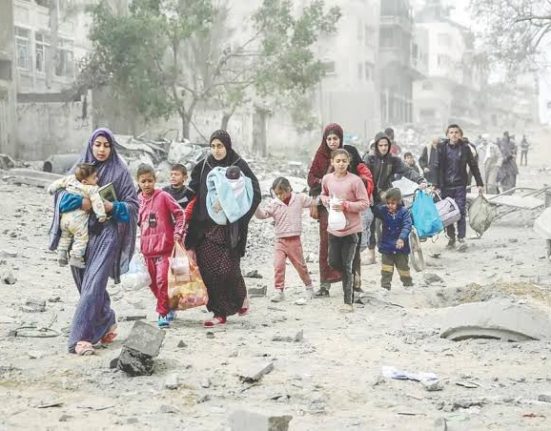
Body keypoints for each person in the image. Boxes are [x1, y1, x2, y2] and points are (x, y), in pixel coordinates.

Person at [48, 128, 138, 356]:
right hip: (79, 236)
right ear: (91, 145)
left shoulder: (120, 172)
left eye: (106, 145)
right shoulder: (79, 169)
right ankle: (106, 319)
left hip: (106, 235)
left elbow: (132, 206)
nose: (101, 149)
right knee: (85, 285)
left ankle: (80, 339)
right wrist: (82, 203)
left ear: (112, 147)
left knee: (93, 286)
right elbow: (60, 198)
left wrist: (111, 207)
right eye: (97, 144)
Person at [184, 130, 261, 328]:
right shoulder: (204, 166)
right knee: (209, 272)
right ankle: (219, 313)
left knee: (228, 269)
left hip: (230, 230)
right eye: (213, 146)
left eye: (220, 146)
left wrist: (239, 216)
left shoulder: (238, 165)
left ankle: (239, 296)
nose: (216, 150)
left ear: (227, 146)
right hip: (205, 227)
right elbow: (191, 192)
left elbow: (254, 193)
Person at [307, 123, 373, 297]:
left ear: (341, 138)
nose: (332, 142)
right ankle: (325, 284)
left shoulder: (349, 153)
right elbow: (311, 178)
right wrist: (326, 181)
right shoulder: (320, 156)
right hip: (328, 209)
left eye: (335, 138)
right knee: (326, 245)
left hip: (349, 208)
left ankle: (355, 282)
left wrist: (351, 188)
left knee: (352, 244)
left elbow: (363, 174)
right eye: (328, 139)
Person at [363, 132, 426, 264]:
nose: (383, 148)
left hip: (387, 194)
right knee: (371, 225)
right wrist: (370, 193)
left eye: (386, 145)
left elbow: (407, 171)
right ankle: (371, 255)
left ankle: (402, 246)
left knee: (397, 218)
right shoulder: (369, 159)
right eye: (381, 145)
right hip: (371, 195)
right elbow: (364, 178)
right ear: (376, 146)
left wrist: (420, 180)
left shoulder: (393, 160)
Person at [320, 148, 369, 312]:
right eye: (338, 161)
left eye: (344, 161)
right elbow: (323, 194)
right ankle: (352, 275)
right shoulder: (327, 179)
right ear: (332, 162)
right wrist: (327, 201)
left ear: (349, 162)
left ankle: (348, 302)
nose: (341, 164)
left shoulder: (355, 181)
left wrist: (346, 205)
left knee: (347, 265)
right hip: (334, 229)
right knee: (333, 262)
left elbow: (365, 203)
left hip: (351, 231)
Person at [255, 177, 316, 305]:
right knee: (278, 265)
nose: (279, 196)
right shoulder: (274, 204)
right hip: (280, 240)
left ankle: (309, 287)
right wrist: (255, 207)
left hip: (294, 240)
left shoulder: (299, 198)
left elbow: (313, 201)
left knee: (300, 266)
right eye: (276, 194)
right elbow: (263, 215)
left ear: (289, 189)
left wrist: (325, 199)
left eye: (281, 193)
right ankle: (279, 291)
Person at [137, 164, 185, 328]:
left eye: (150, 181)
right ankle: (168, 306)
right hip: (147, 250)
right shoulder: (138, 201)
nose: (147, 184)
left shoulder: (163, 196)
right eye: (143, 181)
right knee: (152, 282)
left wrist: (178, 233)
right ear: (138, 182)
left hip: (165, 248)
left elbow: (180, 214)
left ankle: (162, 313)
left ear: (155, 180)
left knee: (162, 280)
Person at [47, 163, 107, 268]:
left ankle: (61, 255)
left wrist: (51, 189)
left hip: (65, 219)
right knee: (81, 239)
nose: (97, 179)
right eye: (94, 177)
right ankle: (76, 257)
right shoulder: (92, 188)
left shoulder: (70, 179)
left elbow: (58, 183)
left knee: (65, 236)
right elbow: (97, 202)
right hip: (78, 222)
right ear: (84, 182)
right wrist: (101, 215)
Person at [434, 124, 484, 248]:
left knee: (460, 210)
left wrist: (479, 183)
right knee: (448, 213)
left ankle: (461, 238)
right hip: (445, 186)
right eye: (451, 132)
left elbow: (473, 166)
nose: (454, 135)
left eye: (456, 132)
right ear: (447, 135)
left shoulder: (465, 148)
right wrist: (436, 185)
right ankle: (451, 239)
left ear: (460, 134)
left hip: (460, 185)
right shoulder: (442, 148)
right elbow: (436, 167)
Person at [372, 188, 413, 291]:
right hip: (387, 246)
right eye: (388, 203)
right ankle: (385, 287)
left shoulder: (404, 212)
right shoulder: (384, 211)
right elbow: (374, 209)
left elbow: (407, 226)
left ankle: (408, 284)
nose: (390, 205)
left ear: (398, 202)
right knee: (386, 269)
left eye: (393, 203)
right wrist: (370, 200)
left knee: (403, 268)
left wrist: (402, 238)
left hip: (401, 247)